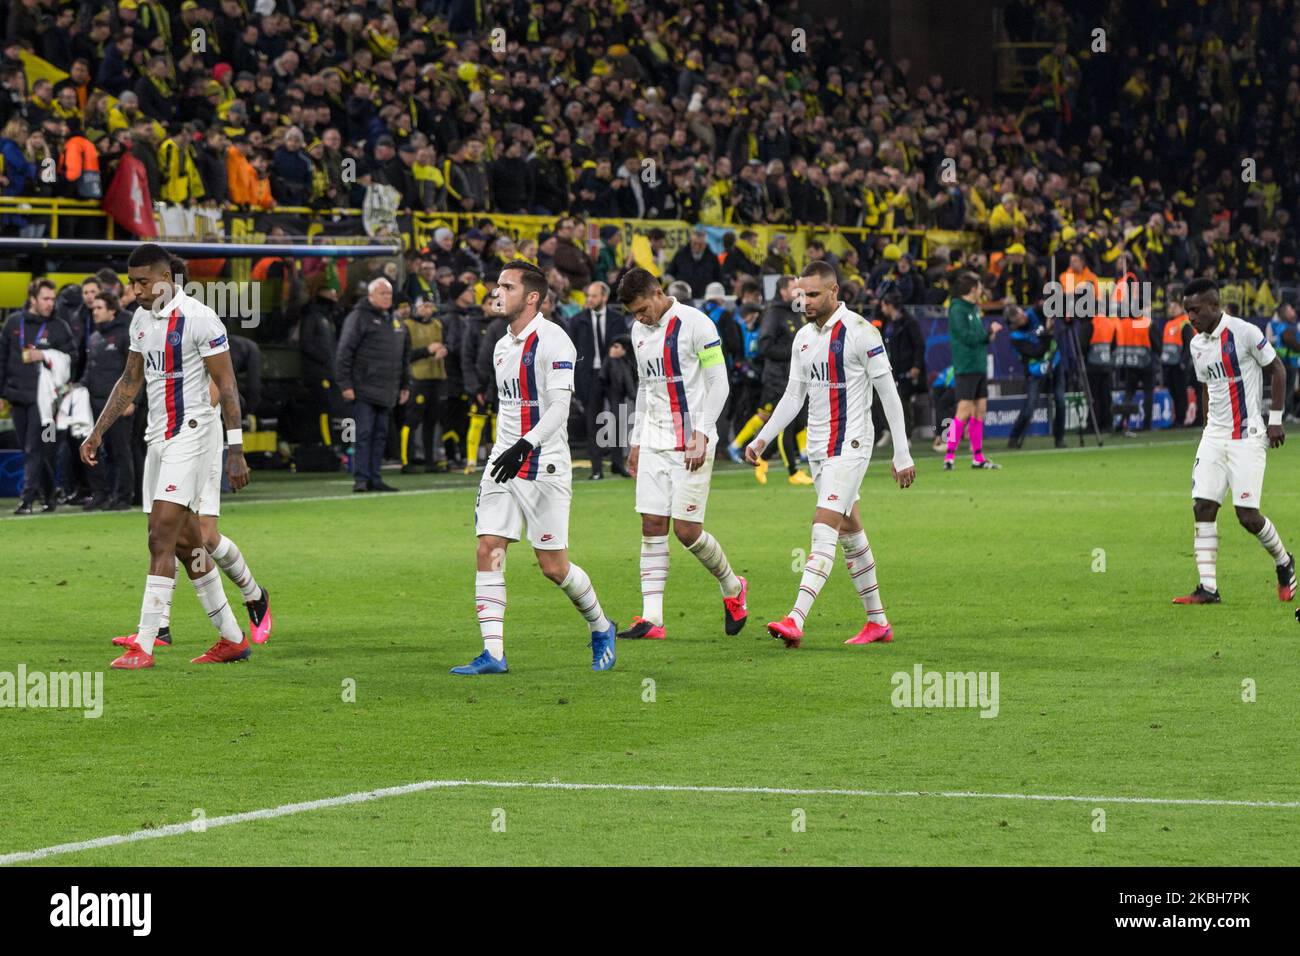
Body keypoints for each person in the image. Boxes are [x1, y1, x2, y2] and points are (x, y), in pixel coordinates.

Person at [80, 243, 254, 670]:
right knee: (186, 543)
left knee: (159, 535)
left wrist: (236, 449)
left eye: (142, 281)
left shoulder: (200, 319)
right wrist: (96, 433)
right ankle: (232, 638)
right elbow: (129, 380)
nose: (135, 290)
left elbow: (227, 386)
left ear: (166, 278)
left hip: (193, 437)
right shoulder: (141, 320)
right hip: (158, 438)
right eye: (131, 282)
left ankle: (144, 642)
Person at [450, 260, 618, 675]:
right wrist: (503, 448)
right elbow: (509, 406)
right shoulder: (502, 343)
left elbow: (561, 407)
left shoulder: (555, 340)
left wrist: (526, 444)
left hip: (544, 465)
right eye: (497, 286)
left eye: (506, 287)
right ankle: (493, 654)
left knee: (553, 566)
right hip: (502, 461)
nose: (496, 292)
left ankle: (601, 626)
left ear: (532, 298)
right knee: (489, 547)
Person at [746, 261, 916, 648]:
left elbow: (889, 392)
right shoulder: (803, 338)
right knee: (851, 532)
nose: (804, 301)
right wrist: (763, 439)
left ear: (835, 291)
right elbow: (793, 396)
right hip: (819, 450)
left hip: (852, 445)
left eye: (813, 294)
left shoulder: (861, 332)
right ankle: (878, 622)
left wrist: (902, 452)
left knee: (823, 529)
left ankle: (795, 618)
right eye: (800, 295)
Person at [613, 267, 748, 641]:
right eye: (634, 313)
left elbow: (718, 382)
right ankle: (652, 618)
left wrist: (702, 433)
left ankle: (733, 586)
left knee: (688, 531)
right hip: (655, 440)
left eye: (642, 309)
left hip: (692, 440)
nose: (639, 318)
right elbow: (646, 387)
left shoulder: (696, 324)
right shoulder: (640, 332)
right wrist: (636, 441)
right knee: (652, 525)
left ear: (658, 292)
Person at [1173, 278, 1295, 606]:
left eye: (1195, 310)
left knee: (1247, 516)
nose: (1190, 317)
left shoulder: (1244, 332)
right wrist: (1205, 430)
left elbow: (1278, 370)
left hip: (1247, 436)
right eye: (1187, 311)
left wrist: (1275, 421)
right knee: (1203, 506)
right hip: (1214, 436)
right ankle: (1208, 588)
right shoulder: (1197, 344)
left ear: (1215, 306)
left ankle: (1284, 562)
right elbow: (1206, 387)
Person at [1, 278, 76, 514]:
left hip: (46, 402)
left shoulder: (59, 327)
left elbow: (71, 359)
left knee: (37, 447)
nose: (50, 303)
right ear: (32, 299)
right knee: (32, 449)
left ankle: (27, 499)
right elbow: (1, 360)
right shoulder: (13, 323)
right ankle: (50, 494)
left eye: (52, 299)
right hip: (16, 396)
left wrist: (45, 355)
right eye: (45, 298)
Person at [730, 276, 811, 485]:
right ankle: (793, 472)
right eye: (794, 288)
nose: (798, 292)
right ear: (783, 291)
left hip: (796, 376)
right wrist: (794, 351)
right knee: (787, 424)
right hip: (778, 379)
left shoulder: (797, 311)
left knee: (800, 421)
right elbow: (765, 346)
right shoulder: (773, 314)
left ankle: (763, 458)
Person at [336, 277, 411, 493]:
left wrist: (405, 385)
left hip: (387, 389)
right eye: (382, 294)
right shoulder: (358, 317)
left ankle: (375, 477)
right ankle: (361, 478)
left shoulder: (395, 321)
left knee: (380, 436)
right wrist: (345, 384)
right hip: (363, 388)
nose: (387, 298)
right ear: (370, 296)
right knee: (364, 434)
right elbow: (344, 352)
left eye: (389, 294)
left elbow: (403, 357)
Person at [570, 280, 630, 480]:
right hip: (589, 376)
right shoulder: (578, 320)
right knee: (592, 421)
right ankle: (596, 468)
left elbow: (626, 343)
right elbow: (572, 349)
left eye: (594, 296)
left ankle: (617, 463)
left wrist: (622, 348)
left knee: (617, 418)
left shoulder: (617, 319)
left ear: (604, 297)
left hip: (613, 373)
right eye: (588, 296)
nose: (590, 299)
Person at [944, 271, 1003, 469]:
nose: (981, 291)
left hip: (978, 365)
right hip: (966, 365)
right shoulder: (957, 310)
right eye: (979, 287)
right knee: (964, 411)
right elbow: (966, 337)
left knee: (980, 410)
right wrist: (988, 333)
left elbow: (978, 336)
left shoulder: (974, 309)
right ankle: (949, 456)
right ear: (972, 289)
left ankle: (978, 457)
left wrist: (989, 335)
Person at [81, 290, 135, 509]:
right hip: (94, 403)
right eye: (93, 308)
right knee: (95, 450)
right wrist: (78, 388)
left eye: (99, 308)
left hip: (119, 404)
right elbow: (89, 370)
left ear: (112, 310)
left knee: (120, 451)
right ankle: (101, 494)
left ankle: (123, 496)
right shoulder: (94, 337)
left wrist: (133, 401)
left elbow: (134, 372)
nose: (94, 312)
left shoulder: (125, 334)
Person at [1006, 304, 1066, 448]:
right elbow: (1036, 352)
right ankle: (1014, 438)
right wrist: (1047, 334)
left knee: (1060, 401)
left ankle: (1059, 439)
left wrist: (1050, 316)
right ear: (1014, 323)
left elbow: (1048, 307)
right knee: (1030, 406)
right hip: (1035, 370)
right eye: (1019, 318)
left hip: (1054, 361)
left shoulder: (1034, 312)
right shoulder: (1015, 336)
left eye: (1022, 313)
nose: (1023, 317)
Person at [400, 295, 448, 473]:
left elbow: (447, 343)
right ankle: (406, 460)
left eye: (431, 306)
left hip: (436, 376)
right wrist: (426, 351)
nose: (428, 309)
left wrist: (444, 349)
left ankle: (430, 460)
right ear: (417, 307)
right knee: (412, 420)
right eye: (425, 306)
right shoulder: (408, 326)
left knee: (431, 421)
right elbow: (404, 355)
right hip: (417, 377)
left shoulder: (437, 324)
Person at [875, 291, 925, 449]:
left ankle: (906, 436)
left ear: (890, 306)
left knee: (903, 401)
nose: (882, 309)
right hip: (890, 368)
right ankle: (888, 430)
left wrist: (916, 365)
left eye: (884, 305)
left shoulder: (909, 322)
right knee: (879, 399)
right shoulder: (886, 322)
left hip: (906, 368)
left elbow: (919, 345)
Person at [1160, 298, 1195, 429]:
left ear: (1181, 307)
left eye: (1174, 307)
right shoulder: (1169, 324)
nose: (1171, 309)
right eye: (1170, 307)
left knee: (1180, 392)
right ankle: (1177, 418)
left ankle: (1180, 419)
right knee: (1173, 391)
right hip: (1169, 364)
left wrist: (1183, 363)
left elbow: (1189, 344)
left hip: (1179, 364)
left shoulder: (1184, 323)